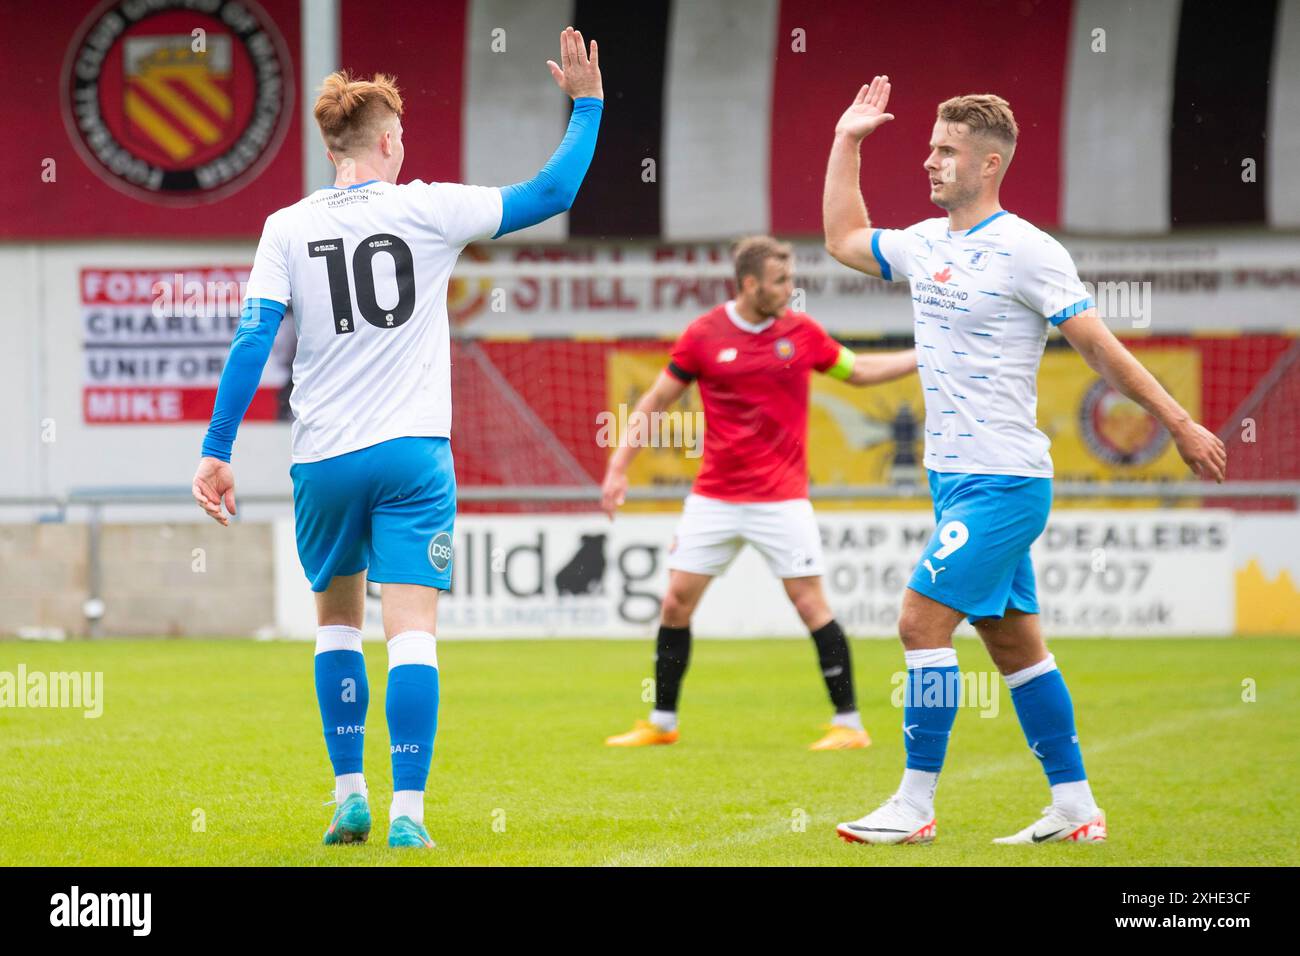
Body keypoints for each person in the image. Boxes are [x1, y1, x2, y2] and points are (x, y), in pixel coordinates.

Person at [191, 29, 604, 848]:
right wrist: (587, 105)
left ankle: (349, 794)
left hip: (325, 459)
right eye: (402, 137)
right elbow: (552, 193)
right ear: (387, 142)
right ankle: (409, 815)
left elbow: (251, 342)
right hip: (413, 455)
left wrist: (218, 448)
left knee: (336, 629)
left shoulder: (284, 227)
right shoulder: (427, 206)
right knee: (411, 631)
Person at [823, 77, 1226, 844]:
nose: (931, 162)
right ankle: (1075, 807)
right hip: (954, 480)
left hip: (1004, 481)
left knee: (918, 623)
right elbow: (843, 240)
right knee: (1014, 647)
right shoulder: (926, 243)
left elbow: (1101, 352)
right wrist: (848, 139)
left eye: (948, 151)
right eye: (931, 148)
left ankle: (913, 807)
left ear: (990, 164)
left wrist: (1177, 421)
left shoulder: (1029, 252)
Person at [602, 236, 917, 750]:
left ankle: (850, 725)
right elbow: (656, 401)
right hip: (715, 498)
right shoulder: (703, 335)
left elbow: (858, 371)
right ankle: (661, 723)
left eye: (791, 280)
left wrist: (921, 355)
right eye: (780, 282)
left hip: (782, 500)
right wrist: (619, 466)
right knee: (676, 603)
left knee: (811, 605)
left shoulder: (802, 334)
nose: (790, 291)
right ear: (750, 284)